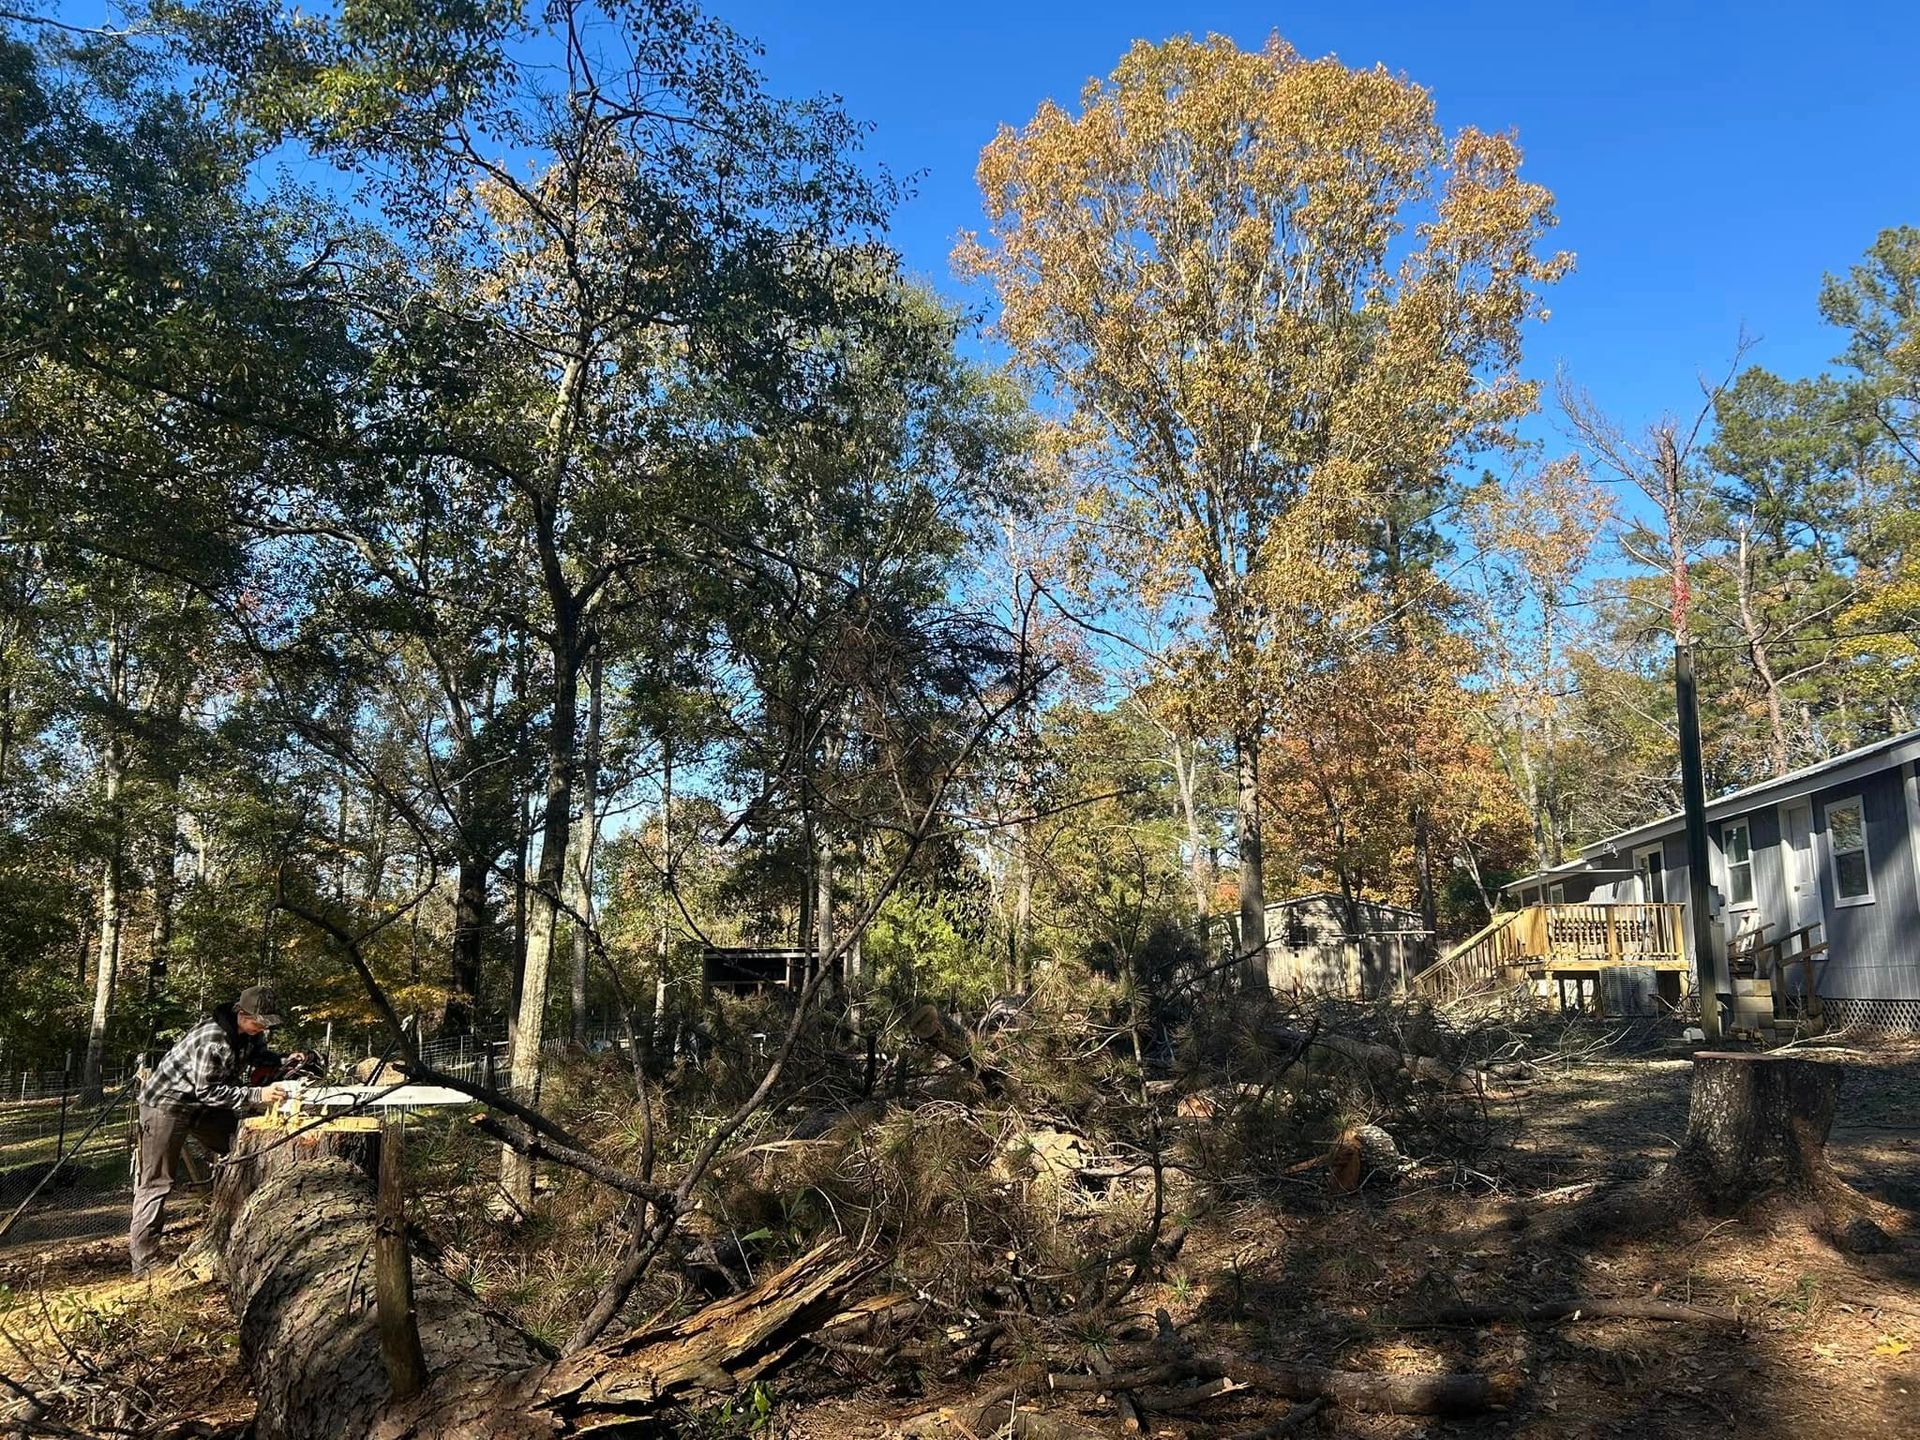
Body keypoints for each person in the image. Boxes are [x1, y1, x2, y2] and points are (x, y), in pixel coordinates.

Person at [129, 985, 306, 1275]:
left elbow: (261, 1058)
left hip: (201, 1106)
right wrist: (257, 1095)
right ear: (241, 1013)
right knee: (156, 1182)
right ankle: (144, 1263)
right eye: (258, 1022)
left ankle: (244, 1223)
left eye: (265, 1024)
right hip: (167, 1105)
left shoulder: (249, 1035)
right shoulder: (214, 1038)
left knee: (242, 1147)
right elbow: (209, 1091)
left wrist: (287, 1060)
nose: (261, 1028)